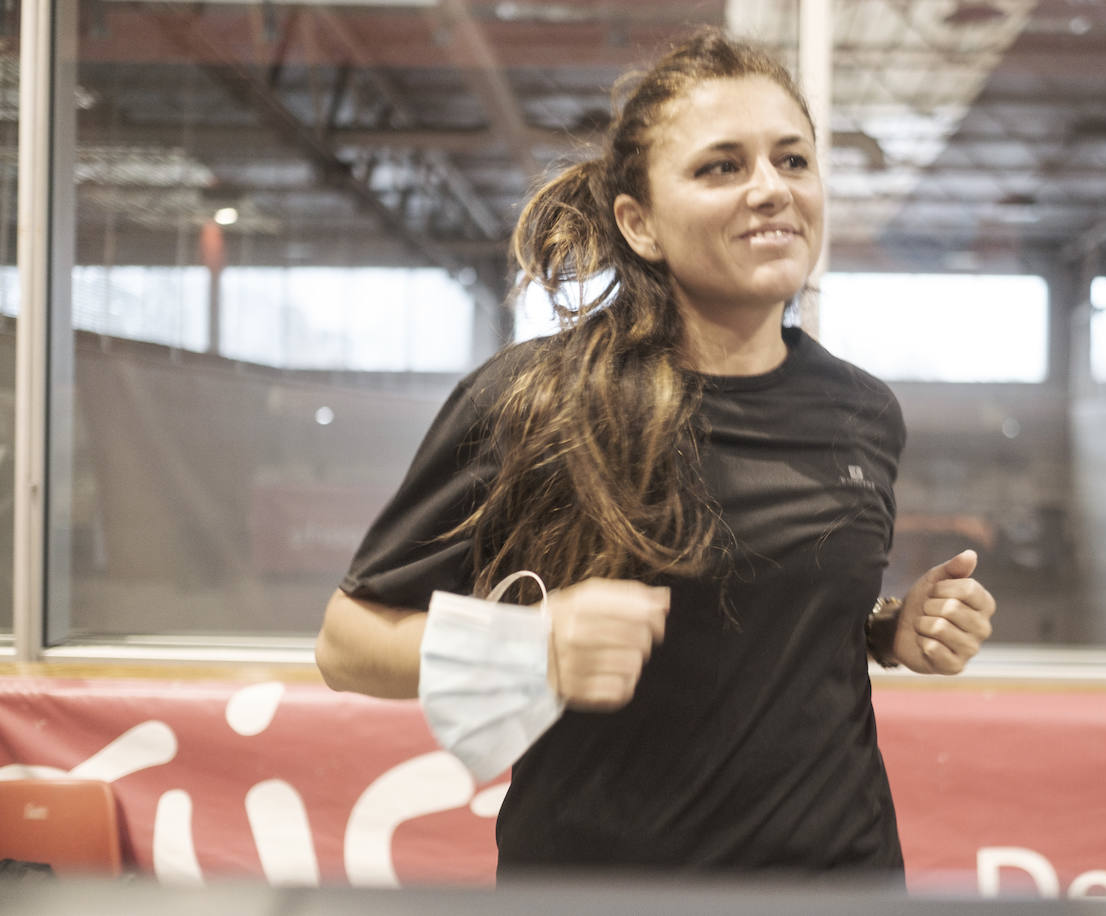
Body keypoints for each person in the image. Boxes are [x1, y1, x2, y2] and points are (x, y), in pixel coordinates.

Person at [315, 27, 996, 880]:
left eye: (793, 161)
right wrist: (527, 648)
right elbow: (346, 644)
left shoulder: (863, 411)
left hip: (839, 881)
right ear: (638, 224)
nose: (770, 190)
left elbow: (758, 621)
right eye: (722, 167)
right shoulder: (536, 402)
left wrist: (888, 631)